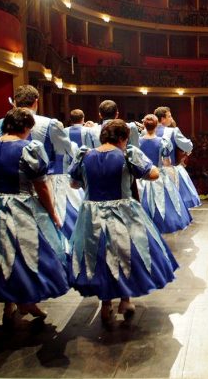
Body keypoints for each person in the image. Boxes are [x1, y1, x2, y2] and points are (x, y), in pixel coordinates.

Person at [0, 108, 69, 326]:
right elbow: (41, 187)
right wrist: (53, 214)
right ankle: (26, 301)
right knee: (27, 254)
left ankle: (10, 304)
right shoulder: (28, 148)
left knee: (1, 253)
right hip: (21, 207)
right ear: (27, 127)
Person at [68, 120, 178, 325]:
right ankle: (125, 301)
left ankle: (106, 303)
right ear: (122, 138)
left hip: (92, 213)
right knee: (126, 253)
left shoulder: (85, 155)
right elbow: (153, 174)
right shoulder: (127, 155)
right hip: (122, 211)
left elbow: (74, 184)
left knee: (99, 255)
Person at [0, 85, 78, 239]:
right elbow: (65, 152)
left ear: (15, 102)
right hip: (47, 183)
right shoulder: (51, 124)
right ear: (36, 101)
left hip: (10, 186)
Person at [138, 114, 192, 234]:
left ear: (144, 126)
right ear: (156, 125)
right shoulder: (162, 142)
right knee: (165, 202)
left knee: (143, 200)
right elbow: (167, 162)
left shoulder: (138, 141)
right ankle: (164, 224)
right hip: (158, 174)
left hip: (142, 176)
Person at [154, 106, 201, 209]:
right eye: (169, 116)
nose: (171, 119)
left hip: (150, 173)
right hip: (168, 171)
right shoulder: (172, 131)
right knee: (173, 203)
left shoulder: (145, 132)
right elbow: (188, 146)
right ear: (162, 119)